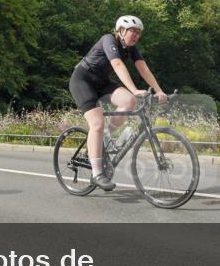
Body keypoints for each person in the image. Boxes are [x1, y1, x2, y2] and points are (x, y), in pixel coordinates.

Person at [69, 15, 167, 191]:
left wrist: (159, 90)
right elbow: (117, 65)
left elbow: (144, 69)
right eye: (133, 31)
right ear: (121, 31)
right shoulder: (108, 39)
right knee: (97, 123)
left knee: (129, 101)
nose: (136, 35)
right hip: (83, 80)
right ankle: (97, 174)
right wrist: (135, 89)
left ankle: (105, 137)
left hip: (102, 83)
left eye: (139, 32)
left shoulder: (131, 49)